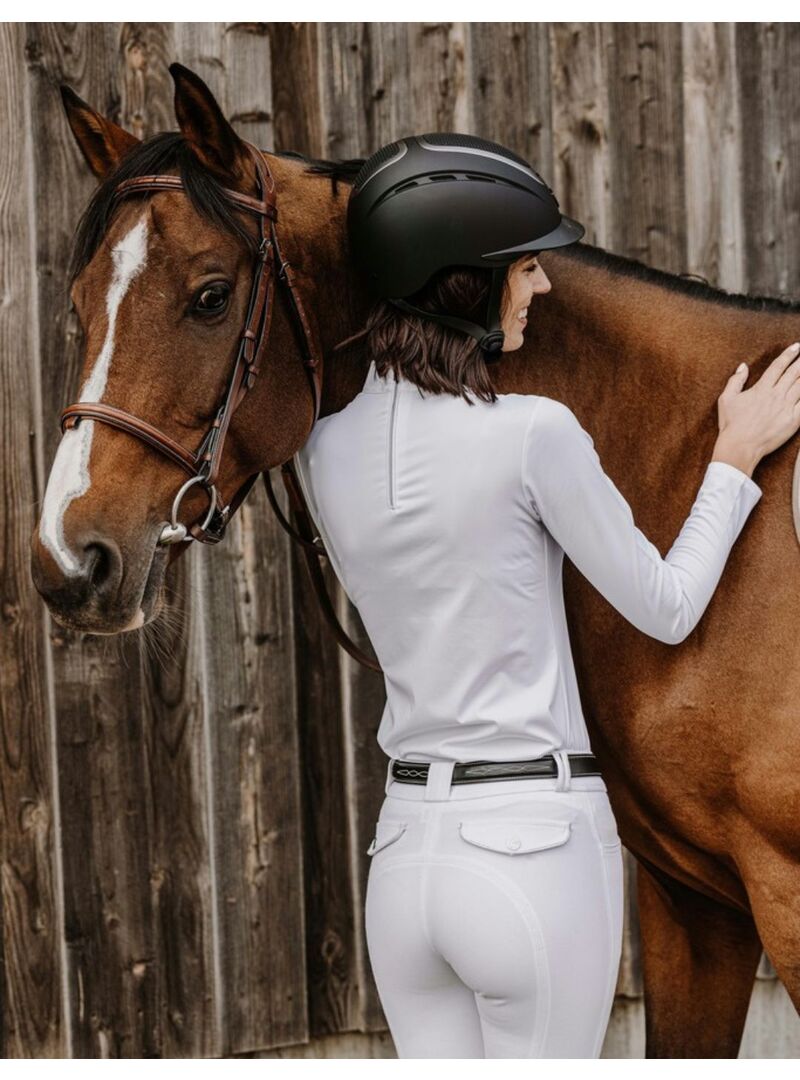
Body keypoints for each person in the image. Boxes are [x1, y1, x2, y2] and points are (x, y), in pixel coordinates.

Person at [292, 133, 800, 1058]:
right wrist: (731, 459)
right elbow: (669, 606)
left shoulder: (322, 452)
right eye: (524, 267)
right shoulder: (533, 433)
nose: (543, 287)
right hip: (531, 852)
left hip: (404, 867)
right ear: (464, 285)